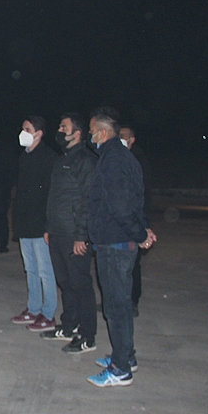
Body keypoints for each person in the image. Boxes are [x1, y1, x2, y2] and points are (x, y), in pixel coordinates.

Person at [86, 108, 157, 387]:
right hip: (117, 241)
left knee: (116, 307)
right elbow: (137, 199)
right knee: (121, 305)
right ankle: (125, 355)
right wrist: (144, 229)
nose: (90, 136)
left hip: (114, 243)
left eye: (92, 131)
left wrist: (139, 233)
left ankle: (120, 369)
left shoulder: (113, 161)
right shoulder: (124, 157)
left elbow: (120, 206)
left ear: (103, 133)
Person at [42, 114, 99, 353]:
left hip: (73, 234)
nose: (59, 130)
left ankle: (88, 336)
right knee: (65, 283)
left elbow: (88, 201)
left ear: (77, 133)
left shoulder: (85, 160)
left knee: (80, 285)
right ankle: (69, 325)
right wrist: (49, 227)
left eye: (63, 127)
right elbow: (55, 197)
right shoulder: (62, 159)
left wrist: (81, 236)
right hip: (57, 231)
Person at [10, 116, 58, 331]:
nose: (23, 133)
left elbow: (51, 194)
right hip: (25, 221)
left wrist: (49, 225)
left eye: (27, 129)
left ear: (39, 133)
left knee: (45, 271)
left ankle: (48, 314)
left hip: (40, 223)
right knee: (30, 268)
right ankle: (33, 308)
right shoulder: (24, 157)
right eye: (23, 128)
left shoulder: (49, 157)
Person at [120, 124, 152, 316]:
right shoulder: (119, 158)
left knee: (132, 264)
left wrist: (143, 223)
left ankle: (133, 301)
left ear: (132, 139)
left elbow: (142, 193)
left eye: (124, 136)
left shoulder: (138, 160)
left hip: (135, 218)